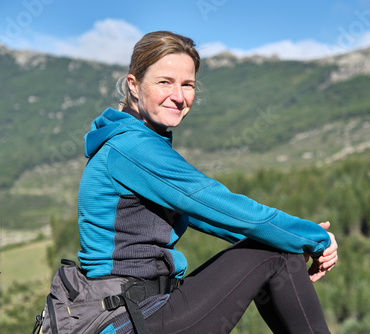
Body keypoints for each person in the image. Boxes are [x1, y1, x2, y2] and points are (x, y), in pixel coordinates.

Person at [77, 31, 338, 334]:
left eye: (187, 84)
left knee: (277, 243)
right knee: (276, 249)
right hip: (128, 319)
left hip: (142, 308)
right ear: (134, 85)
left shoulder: (131, 142)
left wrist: (292, 237)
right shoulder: (132, 149)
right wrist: (314, 238)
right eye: (164, 82)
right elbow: (219, 205)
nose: (179, 96)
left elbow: (205, 217)